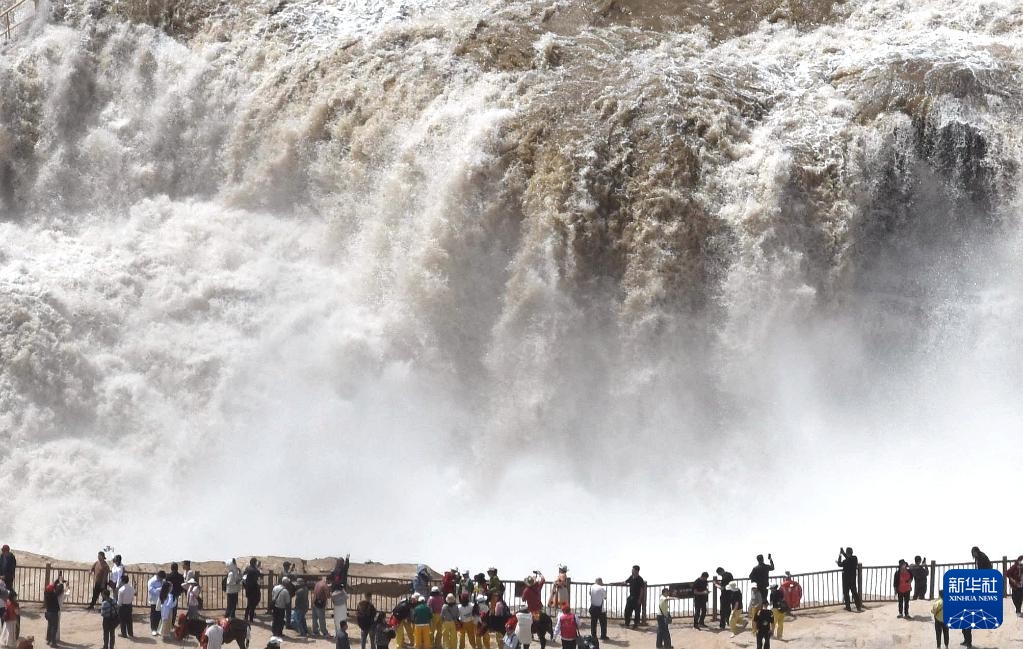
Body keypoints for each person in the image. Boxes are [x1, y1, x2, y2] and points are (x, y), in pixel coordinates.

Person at [961, 546, 992, 648]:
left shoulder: (982, 557)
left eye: (973, 553)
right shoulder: (979, 558)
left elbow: (983, 570)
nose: (973, 555)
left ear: (975, 552)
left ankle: (968, 642)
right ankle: (966, 641)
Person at [44, 577, 63, 647]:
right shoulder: (54, 595)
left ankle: (48, 640)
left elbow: (53, 587)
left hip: (48, 613)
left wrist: (57, 580)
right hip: (53, 614)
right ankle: (53, 643)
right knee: (54, 628)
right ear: (52, 591)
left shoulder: (46, 593)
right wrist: (61, 583)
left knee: (49, 626)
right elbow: (59, 590)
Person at [147, 570, 166, 636]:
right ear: (158, 576)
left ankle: (158, 629)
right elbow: (150, 590)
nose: (162, 580)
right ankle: (153, 629)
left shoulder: (162, 581)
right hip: (154, 600)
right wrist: (159, 589)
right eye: (161, 578)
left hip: (160, 600)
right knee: (153, 615)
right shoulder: (152, 581)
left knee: (159, 615)